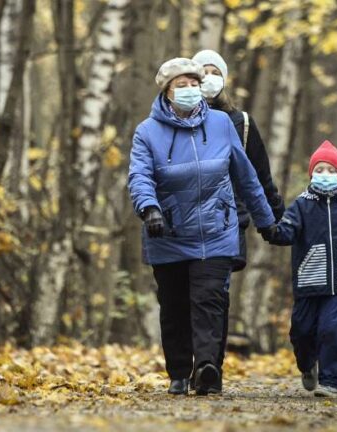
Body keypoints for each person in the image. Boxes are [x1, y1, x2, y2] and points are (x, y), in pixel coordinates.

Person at [128, 57, 275, 396]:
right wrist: (148, 208)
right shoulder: (147, 132)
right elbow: (139, 176)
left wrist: (266, 221)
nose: (191, 90)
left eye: (195, 84)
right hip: (168, 232)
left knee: (209, 300)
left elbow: (246, 175)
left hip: (216, 229)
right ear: (167, 91)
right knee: (176, 306)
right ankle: (179, 372)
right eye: (183, 86)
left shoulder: (222, 123)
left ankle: (208, 367)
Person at [191, 49, 285, 391]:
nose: (208, 79)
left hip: (229, 221)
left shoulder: (241, 123)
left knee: (215, 294)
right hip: (185, 224)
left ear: (224, 79)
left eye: (215, 72)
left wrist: (277, 218)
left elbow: (259, 175)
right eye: (201, 72)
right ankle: (192, 362)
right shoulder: (178, 119)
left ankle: (209, 367)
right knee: (187, 295)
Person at [259, 140, 337, 397]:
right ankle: (306, 364)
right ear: (311, 173)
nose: (326, 175)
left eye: (331, 170)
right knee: (301, 332)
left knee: (333, 331)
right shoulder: (302, 205)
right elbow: (286, 232)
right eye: (320, 169)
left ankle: (332, 382)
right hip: (308, 282)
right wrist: (270, 230)